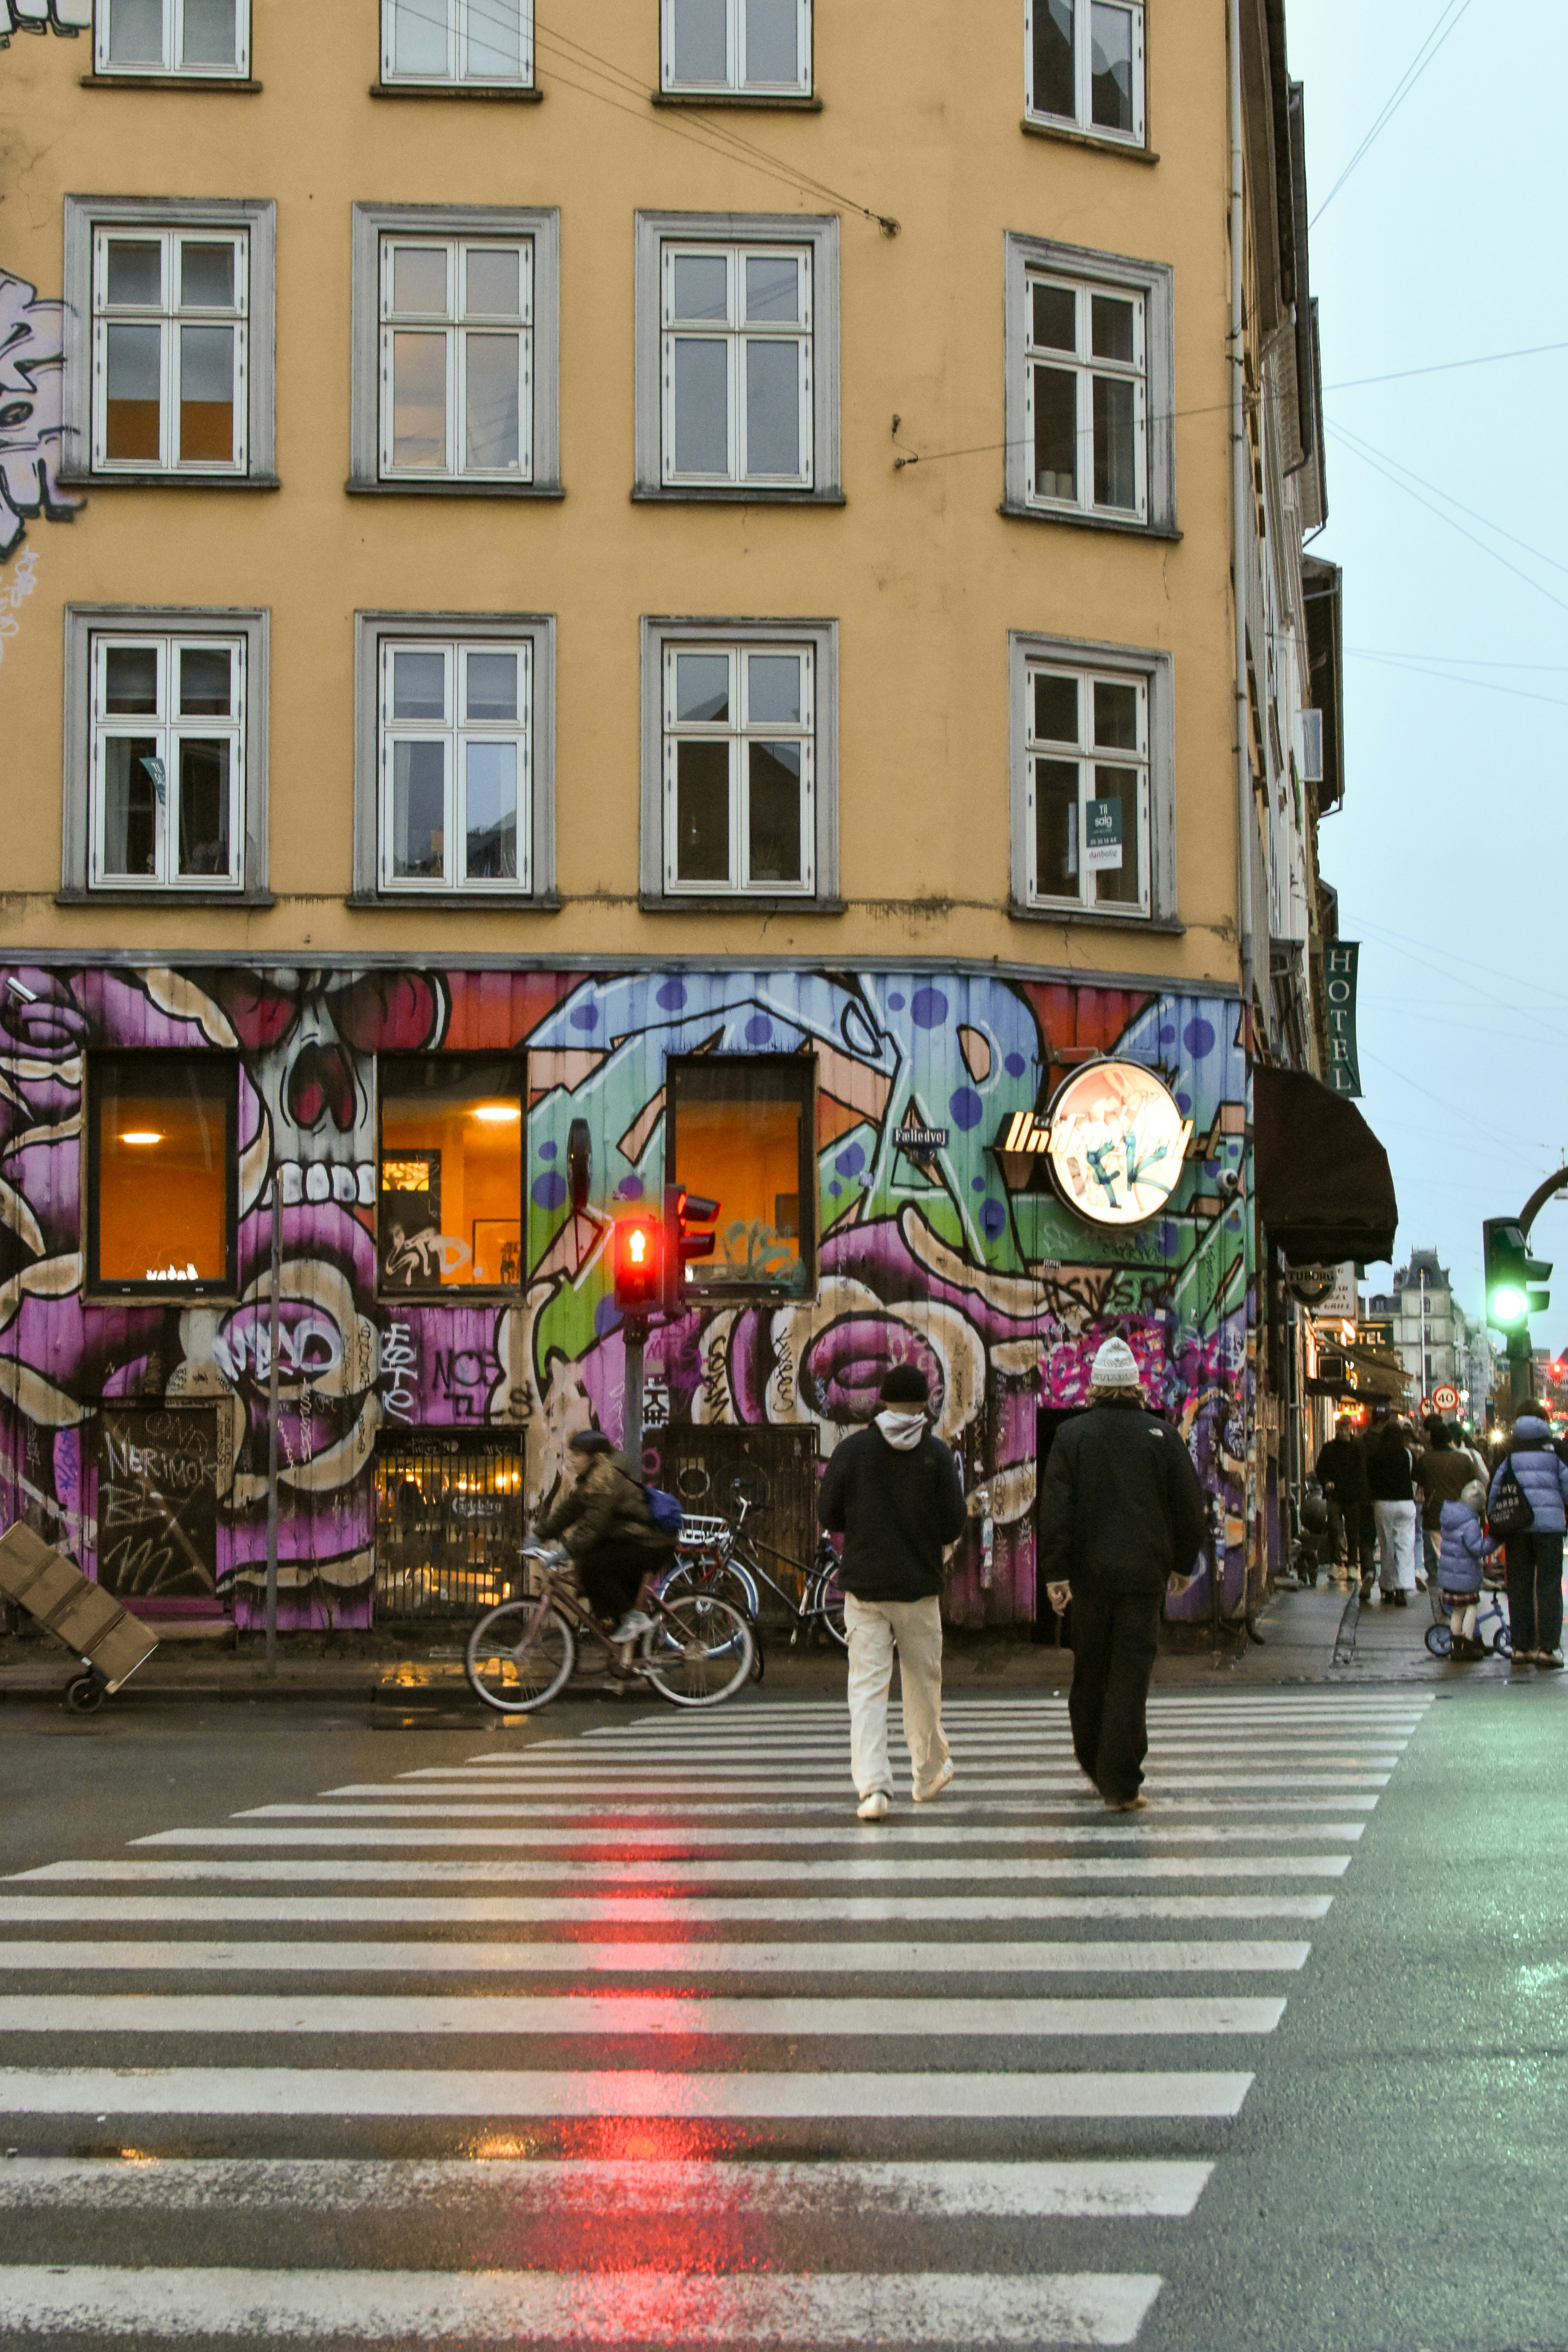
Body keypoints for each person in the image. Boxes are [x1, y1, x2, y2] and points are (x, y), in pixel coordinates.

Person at [1037, 1336, 1208, 1813]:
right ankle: (1120, 1780)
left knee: (1089, 1671)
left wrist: (1056, 1574)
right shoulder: (1162, 1437)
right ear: (1136, 1386)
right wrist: (1179, 1564)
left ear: (1094, 1388)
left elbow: (1057, 1511)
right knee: (1131, 1673)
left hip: (1089, 1578)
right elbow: (1189, 1510)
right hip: (1142, 1578)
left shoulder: (1072, 1437)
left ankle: (1096, 1762)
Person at [818, 1363, 967, 1822]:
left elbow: (830, 1513)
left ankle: (873, 1790)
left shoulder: (853, 1451)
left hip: (864, 1587)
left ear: (881, 1400)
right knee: (922, 1685)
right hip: (918, 1589)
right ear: (925, 1403)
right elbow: (954, 1523)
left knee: (866, 1688)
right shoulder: (937, 1455)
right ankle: (925, 1776)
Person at [534, 1429, 673, 1642]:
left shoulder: (607, 1481)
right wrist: (538, 1535)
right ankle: (633, 1651)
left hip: (653, 1542)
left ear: (595, 1458)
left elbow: (591, 1528)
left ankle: (634, 1621)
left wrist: (564, 1552)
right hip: (639, 1540)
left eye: (578, 1455)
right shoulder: (594, 1480)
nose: (572, 1459)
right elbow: (570, 1511)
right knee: (607, 1583)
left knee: (593, 1568)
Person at [1487, 1402, 1568, 1671]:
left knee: (1519, 1587)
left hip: (1517, 1526)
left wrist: (1494, 1520)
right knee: (1549, 1587)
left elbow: (1495, 1487)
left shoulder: (1507, 1449)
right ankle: (1548, 1649)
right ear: (1545, 1420)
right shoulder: (1557, 1448)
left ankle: (1521, 1648)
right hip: (1550, 1528)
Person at [1436, 1479, 1497, 1660]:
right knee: (1470, 1608)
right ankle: (1468, 1643)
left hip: (1449, 1576)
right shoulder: (1470, 1523)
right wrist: (1494, 1541)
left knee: (1457, 1611)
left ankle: (1456, 1647)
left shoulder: (1450, 1518)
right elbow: (1477, 1548)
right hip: (1465, 1577)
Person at [1365, 1408, 1418, 1605]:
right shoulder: (1407, 1454)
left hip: (1383, 1504)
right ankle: (1403, 1588)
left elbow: (1370, 1479)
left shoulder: (1376, 1455)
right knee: (1405, 1545)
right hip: (1406, 1504)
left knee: (1387, 1546)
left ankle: (1387, 1587)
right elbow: (1413, 1479)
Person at [1413, 1421, 1474, 1591]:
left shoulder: (1426, 1460)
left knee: (1441, 1553)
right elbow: (1474, 1487)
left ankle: (1447, 1589)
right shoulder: (1464, 1460)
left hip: (1435, 1514)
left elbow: (1419, 1482)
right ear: (1449, 1440)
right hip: (1459, 1515)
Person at [1314, 1417, 1373, 1586]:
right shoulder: (1330, 1448)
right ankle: (1337, 1563)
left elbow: (1363, 1472)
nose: (1341, 1432)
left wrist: (1362, 1493)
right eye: (1339, 1429)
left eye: (1345, 1429)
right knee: (1334, 1527)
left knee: (1353, 1531)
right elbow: (1320, 1469)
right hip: (1335, 1495)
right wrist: (1326, 1482)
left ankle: (1353, 1564)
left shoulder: (1358, 1448)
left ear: (1351, 1429)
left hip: (1353, 1496)